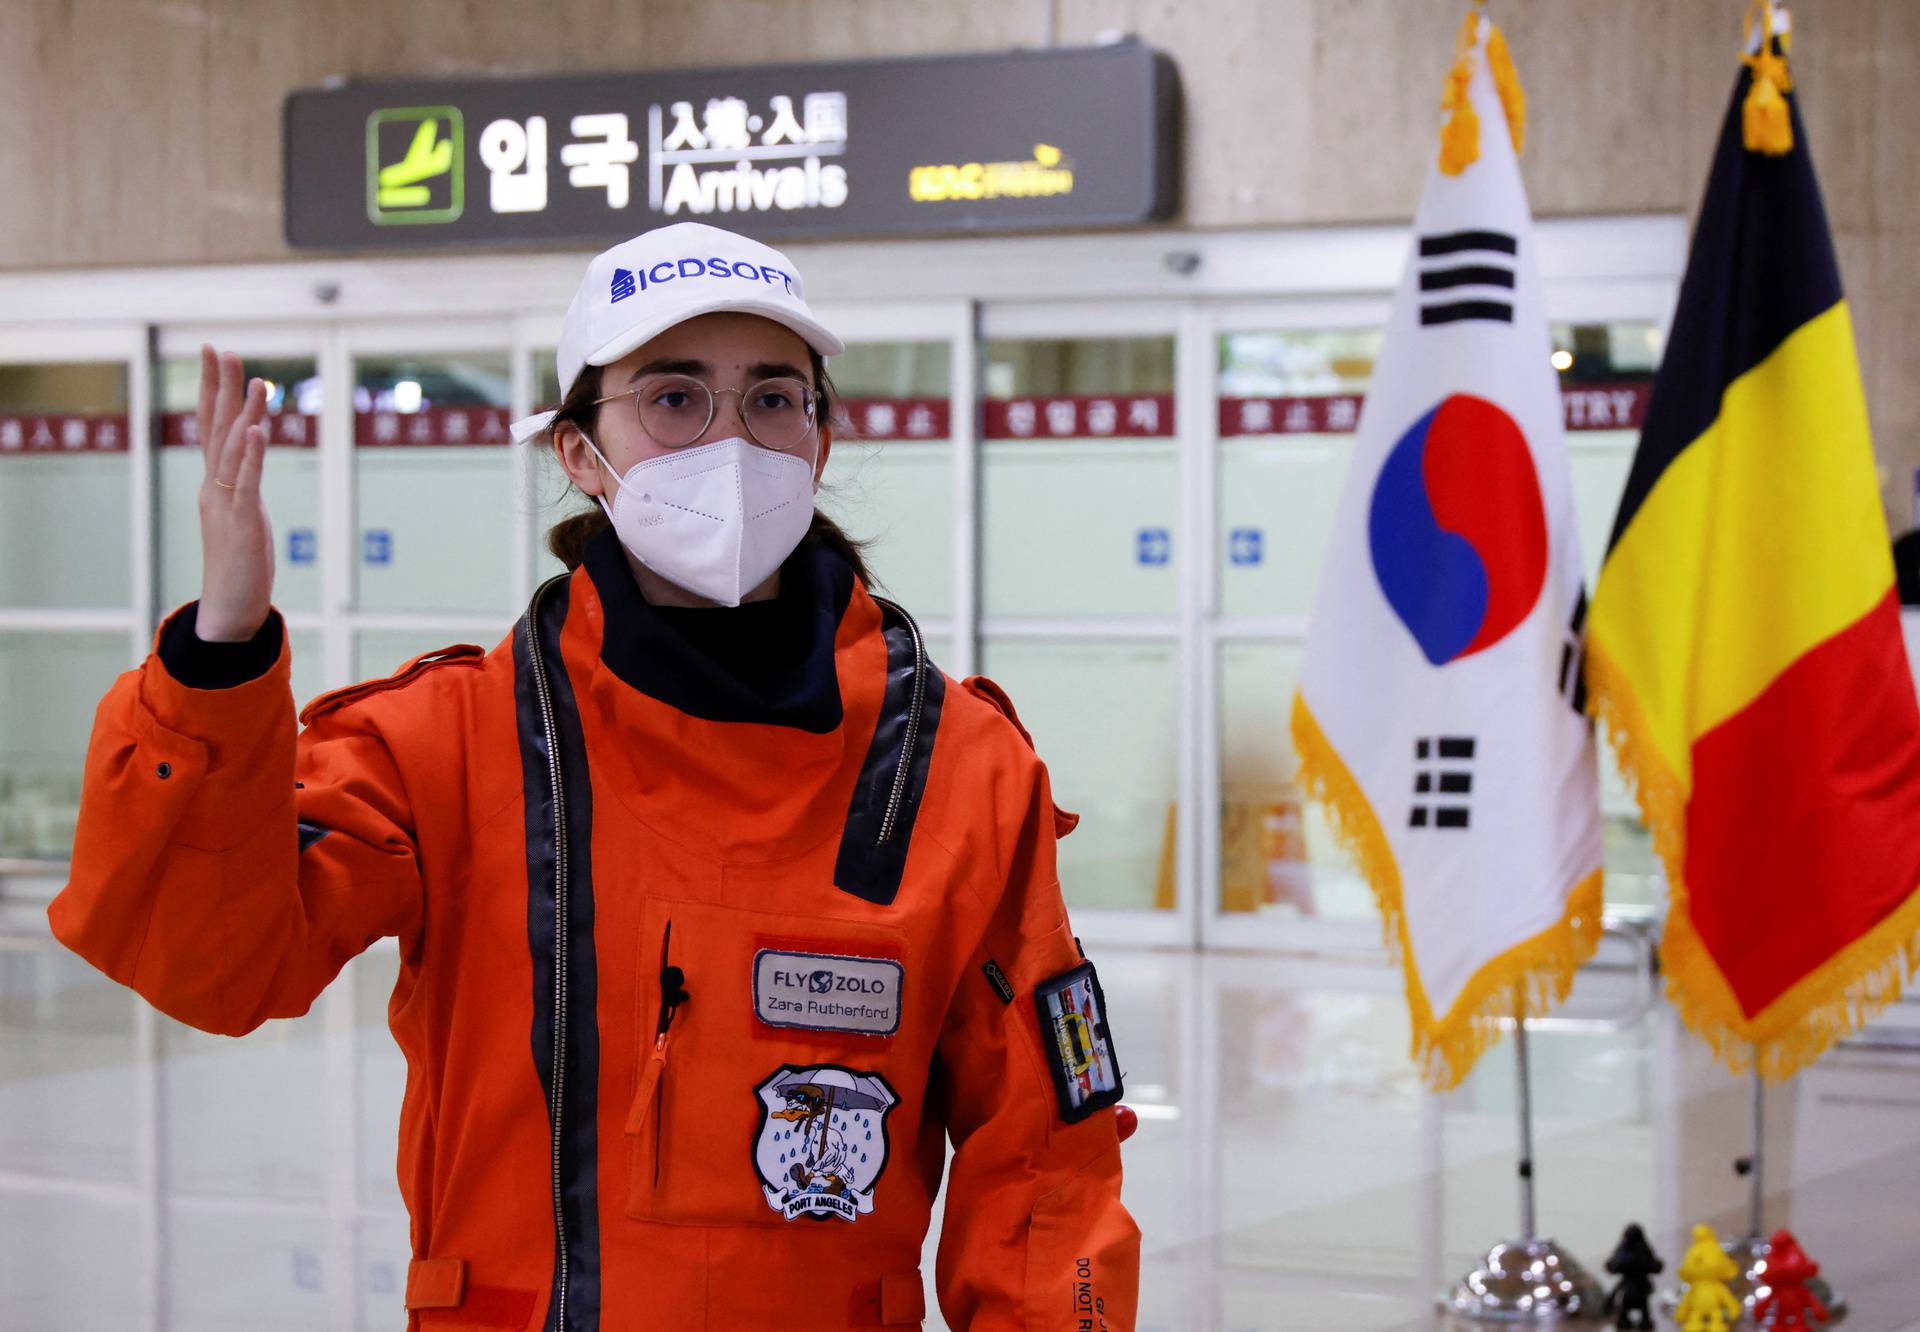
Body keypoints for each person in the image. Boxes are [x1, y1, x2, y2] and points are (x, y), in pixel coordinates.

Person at [48, 221, 1140, 1330]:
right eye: (674, 398)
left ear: (818, 442)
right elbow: (214, 966)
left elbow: (1049, 1162)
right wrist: (218, 656)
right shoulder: (449, 743)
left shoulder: (953, 769)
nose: (731, 440)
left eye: (772, 398)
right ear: (579, 452)